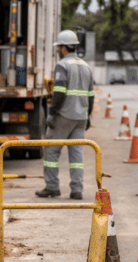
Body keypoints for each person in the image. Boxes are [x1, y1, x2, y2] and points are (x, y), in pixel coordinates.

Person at [37, 30, 95, 200]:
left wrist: (52, 114)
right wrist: (88, 115)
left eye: (59, 47)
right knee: (77, 155)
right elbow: (91, 95)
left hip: (64, 115)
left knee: (51, 151)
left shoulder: (62, 65)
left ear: (63, 48)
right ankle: (77, 190)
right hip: (81, 117)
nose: (58, 50)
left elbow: (59, 92)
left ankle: (52, 187)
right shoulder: (86, 66)